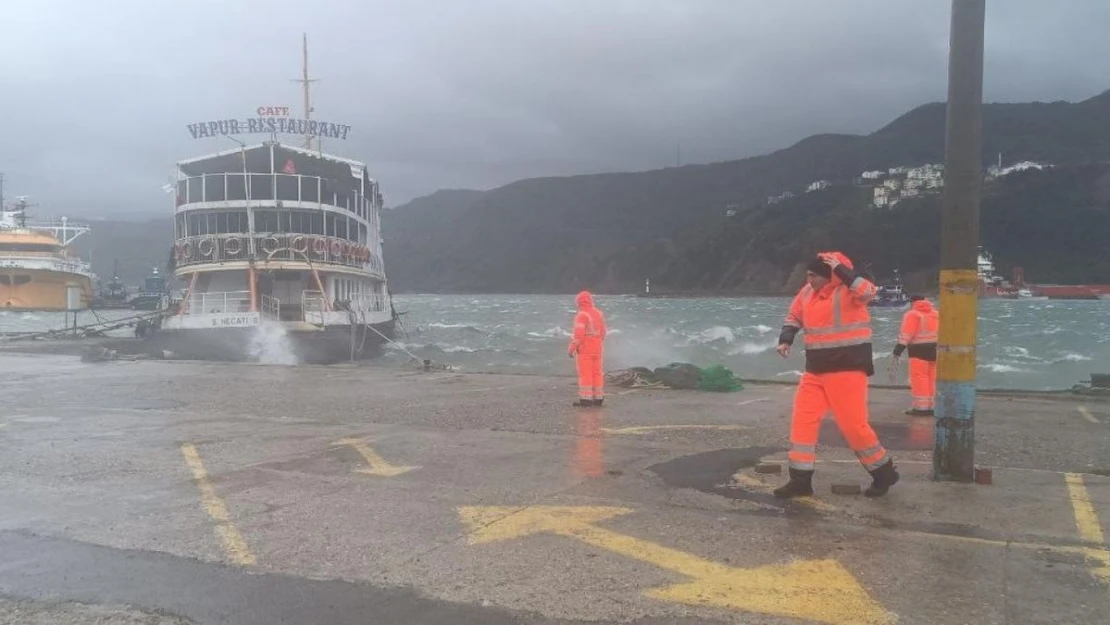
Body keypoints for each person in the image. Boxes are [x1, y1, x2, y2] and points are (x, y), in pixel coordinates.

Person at [775, 252, 899, 498]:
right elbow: (793, 316)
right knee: (802, 422)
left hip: (847, 370)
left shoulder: (850, 289)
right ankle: (800, 481)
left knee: (853, 426)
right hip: (815, 371)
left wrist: (843, 271)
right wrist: (786, 339)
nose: (808, 280)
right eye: (807, 275)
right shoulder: (806, 293)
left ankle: (883, 473)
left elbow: (868, 292)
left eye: (813, 275)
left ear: (829, 275)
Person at [894, 295, 939, 416]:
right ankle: (932, 406)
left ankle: (921, 408)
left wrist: (898, 349)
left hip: (918, 351)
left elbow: (906, 334)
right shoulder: (935, 314)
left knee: (919, 378)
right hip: (935, 350)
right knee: (932, 378)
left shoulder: (912, 314)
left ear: (913, 302)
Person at [568, 291, 607, 407]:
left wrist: (572, 348)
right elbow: (604, 332)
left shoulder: (582, 315)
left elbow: (578, 335)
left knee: (586, 374)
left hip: (585, 348)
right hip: (597, 347)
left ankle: (586, 399)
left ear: (578, 302)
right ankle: (598, 397)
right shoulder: (599, 314)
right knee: (597, 373)